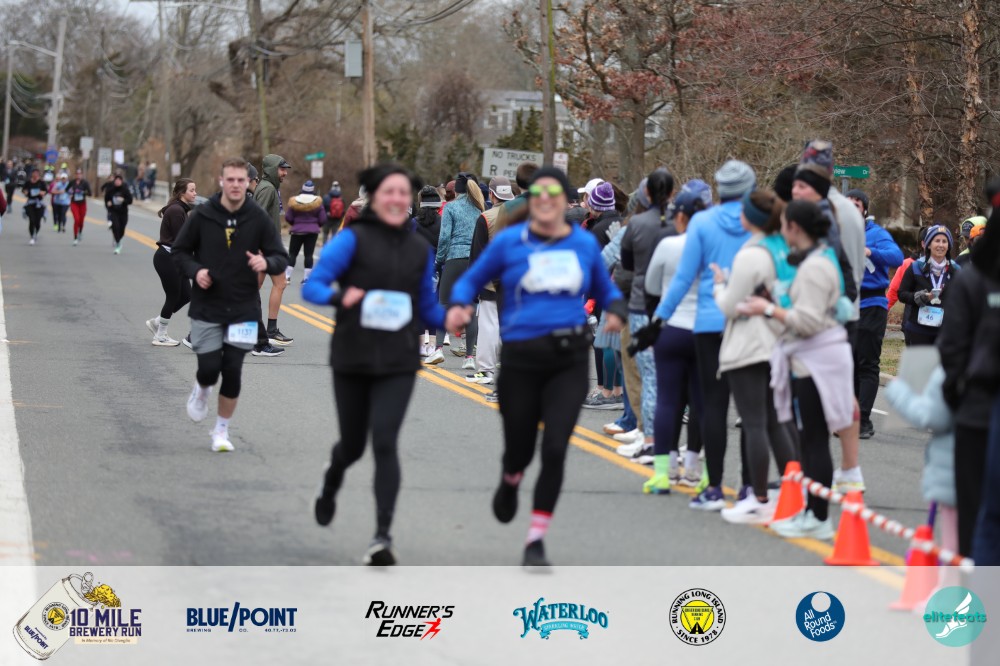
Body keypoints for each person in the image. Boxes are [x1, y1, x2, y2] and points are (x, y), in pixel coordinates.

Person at [446, 166, 626, 568]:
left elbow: (606, 289)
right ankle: (511, 478)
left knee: (556, 449)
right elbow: (472, 278)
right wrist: (459, 305)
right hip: (522, 358)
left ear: (565, 203)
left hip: (568, 357)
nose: (545, 201)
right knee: (520, 449)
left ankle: (536, 539)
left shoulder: (581, 245)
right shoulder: (511, 242)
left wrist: (615, 310)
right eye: (538, 195)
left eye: (553, 195)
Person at [303, 164, 444, 566]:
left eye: (403, 193)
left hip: (399, 359)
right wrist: (341, 296)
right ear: (375, 198)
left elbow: (427, 306)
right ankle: (331, 480)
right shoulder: (353, 240)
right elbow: (313, 286)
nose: (397, 199)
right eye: (389, 192)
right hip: (353, 355)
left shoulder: (419, 249)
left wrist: (449, 317)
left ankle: (382, 537)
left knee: (384, 441)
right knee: (352, 446)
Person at [739, 200, 854, 539]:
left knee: (815, 440)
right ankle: (811, 512)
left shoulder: (816, 266)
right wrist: (774, 301)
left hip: (817, 360)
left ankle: (818, 517)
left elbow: (807, 321)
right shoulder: (818, 259)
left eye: (785, 223)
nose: (781, 229)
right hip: (813, 358)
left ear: (795, 228)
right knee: (810, 439)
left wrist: (768, 308)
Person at [653, 160, 757, 510]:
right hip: (748, 321)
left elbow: (684, 278)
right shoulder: (760, 223)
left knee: (713, 406)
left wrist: (660, 317)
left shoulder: (702, 222)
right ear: (749, 189)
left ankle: (713, 488)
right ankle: (749, 488)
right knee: (751, 409)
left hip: (709, 323)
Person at [172, 158, 289, 453]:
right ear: (222, 181)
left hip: (243, 308)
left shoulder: (257, 218)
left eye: (241, 180)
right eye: (231, 180)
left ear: (247, 183)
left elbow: (279, 256)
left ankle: (221, 431)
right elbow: (180, 251)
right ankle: (202, 389)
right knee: (210, 368)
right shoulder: (203, 214)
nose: (236, 185)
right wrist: (196, 271)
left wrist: (266, 262)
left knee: (233, 370)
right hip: (208, 305)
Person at [708, 189, 798, 523]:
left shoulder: (751, 254)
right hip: (777, 341)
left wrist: (720, 285)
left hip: (749, 345)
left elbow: (731, 306)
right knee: (775, 422)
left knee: (755, 423)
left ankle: (758, 498)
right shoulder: (781, 248)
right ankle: (793, 492)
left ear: (753, 218)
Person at [633, 181, 712, 493]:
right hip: (705, 330)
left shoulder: (668, 245)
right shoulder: (713, 245)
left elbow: (651, 285)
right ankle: (696, 469)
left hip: (672, 328)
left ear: (679, 216)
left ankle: (664, 473)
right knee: (702, 401)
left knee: (668, 400)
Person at [938, 200, 1000, 558]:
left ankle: (977, 585)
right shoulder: (970, 277)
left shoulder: (972, 278)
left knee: (978, 515)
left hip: (977, 408)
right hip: (976, 407)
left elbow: (951, 349)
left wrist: (956, 391)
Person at [618, 169, 677, 461]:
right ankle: (670, 441)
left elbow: (627, 264)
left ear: (647, 193)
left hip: (642, 303)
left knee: (649, 375)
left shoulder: (637, 224)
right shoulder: (680, 224)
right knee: (672, 378)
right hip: (674, 306)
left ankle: (650, 438)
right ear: (672, 192)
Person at [885, 367, 958, 573]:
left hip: (958, 469)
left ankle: (953, 590)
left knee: (955, 550)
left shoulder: (954, 367)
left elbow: (932, 416)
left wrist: (898, 390)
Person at [846, 189, 903, 439]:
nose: (851, 209)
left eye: (856, 205)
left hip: (871, 303)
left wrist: (871, 252)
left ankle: (863, 420)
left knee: (867, 362)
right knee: (847, 363)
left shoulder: (876, 234)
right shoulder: (836, 233)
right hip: (845, 305)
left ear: (865, 210)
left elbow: (897, 257)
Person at [427, 172, 485, 366]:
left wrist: (439, 260)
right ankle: (469, 357)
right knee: (471, 307)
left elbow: (444, 237)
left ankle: (437, 350)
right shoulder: (479, 208)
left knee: (443, 304)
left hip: (454, 258)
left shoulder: (451, 207)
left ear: (456, 191)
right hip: (473, 261)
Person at [465, 176, 515, 385]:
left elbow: (477, 255)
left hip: (491, 282)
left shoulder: (485, 218)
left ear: (492, 194)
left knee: (488, 325)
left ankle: (486, 369)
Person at [583, 181, 625, 409]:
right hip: (624, 287)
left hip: (604, 289)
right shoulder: (622, 223)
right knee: (617, 342)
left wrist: (589, 295)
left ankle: (606, 390)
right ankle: (617, 389)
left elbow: (596, 264)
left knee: (603, 341)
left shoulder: (598, 230)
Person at [146, 178, 197, 347]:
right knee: (173, 295)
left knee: (186, 295)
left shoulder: (180, 209)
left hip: (176, 259)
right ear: (182, 192)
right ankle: (160, 335)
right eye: (191, 190)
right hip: (167, 258)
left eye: (195, 190)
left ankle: (157, 322)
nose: (195, 193)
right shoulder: (176, 211)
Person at [252, 154, 294, 346]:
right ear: (271, 169)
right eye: (281, 169)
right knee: (276, 284)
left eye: (285, 169)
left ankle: (266, 330)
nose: (285, 173)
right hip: (266, 247)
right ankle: (268, 330)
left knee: (255, 288)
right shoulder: (268, 189)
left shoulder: (269, 187)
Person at [898, 225, 959, 346]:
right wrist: (917, 297)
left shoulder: (956, 270)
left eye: (944, 241)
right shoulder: (916, 267)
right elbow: (901, 294)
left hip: (945, 332)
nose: (941, 245)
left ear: (948, 246)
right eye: (937, 241)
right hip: (918, 330)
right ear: (928, 245)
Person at [414, 186, 443, 357]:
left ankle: (420, 345)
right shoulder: (443, 222)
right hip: (437, 268)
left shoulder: (413, 223)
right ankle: (432, 344)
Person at [284, 180, 327, 284]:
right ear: (313, 190)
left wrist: (295, 223)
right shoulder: (317, 203)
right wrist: (316, 225)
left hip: (297, 232)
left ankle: (287, 277)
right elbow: (323, 219)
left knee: (292, 254)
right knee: (308, 255)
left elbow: (288, 217)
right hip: (312, 232)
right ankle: (306, 279)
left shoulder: (295, 201)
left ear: (302, 189)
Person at [104, 172, 133, 254]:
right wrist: (108, 204)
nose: (117, 182)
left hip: (123, 212)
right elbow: (106, 199)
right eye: (116, 180)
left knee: (122, 229)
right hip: (114, 211)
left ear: (121, 181)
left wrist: (123, 200)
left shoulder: (125, 190)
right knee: (115, 226)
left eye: (119, 180)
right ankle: (118, 243)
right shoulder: (111, 190)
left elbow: (130, 200)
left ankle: (118, 240)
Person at [66, 169, 92, 245]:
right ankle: (75, 237)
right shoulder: (72, 182)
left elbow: (90, 193)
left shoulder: (85, 183)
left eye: (80, 174)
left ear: (82, 175)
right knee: (76, 219)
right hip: (74, 203)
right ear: (75, 175)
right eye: (77, 174)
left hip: (82, 204)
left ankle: (80, 231)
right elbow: (66, 190)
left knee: (81, 220)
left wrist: (83, 192)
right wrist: (70, 193)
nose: (78, 175)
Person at [22, 169, 47, 245]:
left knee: (38, 222)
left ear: (38, 174)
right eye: (34, 173)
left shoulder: (41, 182)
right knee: (32, 220)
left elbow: (46, 191)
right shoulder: (28, 182)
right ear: (32, 174)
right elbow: (24, 190)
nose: (35, 175)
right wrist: (25, 192)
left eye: (37, 173)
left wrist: (41, 192)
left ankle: (36, 233)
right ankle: (32, 236)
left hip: (39, 204)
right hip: (30, 203)